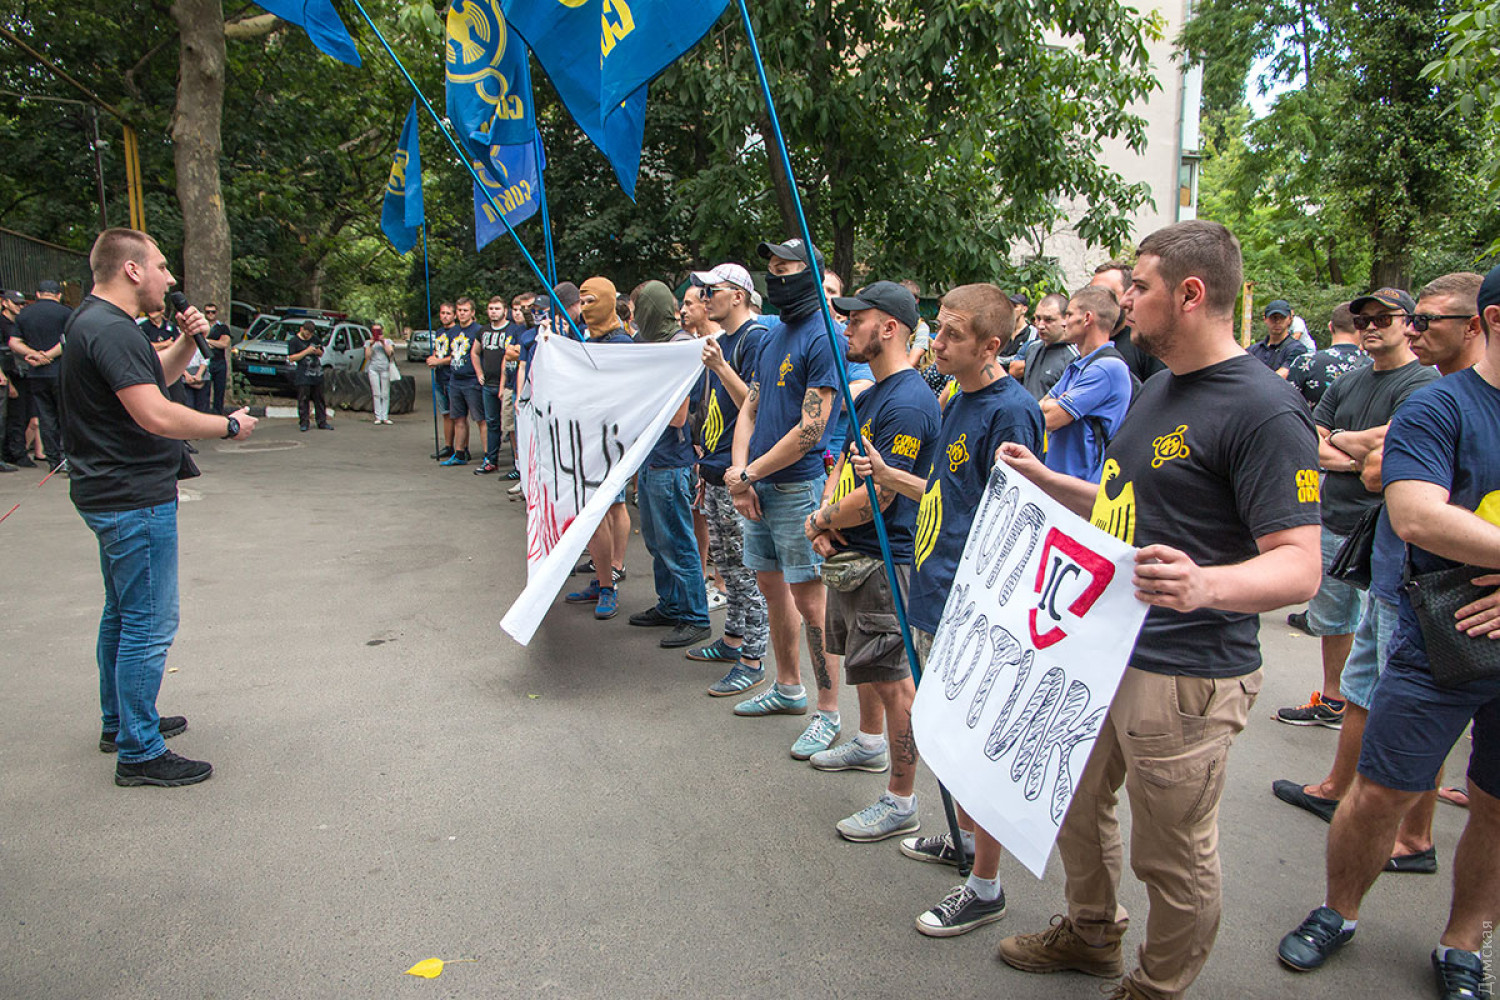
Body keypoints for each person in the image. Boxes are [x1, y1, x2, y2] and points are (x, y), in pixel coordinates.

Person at [993, 220, 1322, 1000]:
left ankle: (1160, 985)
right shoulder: (1159, 388)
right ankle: (1091, 935)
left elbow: (1301, 565)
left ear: (1190, 294)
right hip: (1106, 646)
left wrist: (1206, 585)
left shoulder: (1266, 411)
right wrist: (1047, 479)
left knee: (1171, 853)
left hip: (1184, 673)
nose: (1123, 300)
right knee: (1073, 801)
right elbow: (1126, 510)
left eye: (1137, 287)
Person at [1275, 262, 1500, 1000]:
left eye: (1416, 320)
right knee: (1381, 790)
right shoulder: (1441, 406)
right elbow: (1414, 513)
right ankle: (1337, 913)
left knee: (1496, 808)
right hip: (1439, 633)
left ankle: (1465, 946)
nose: (1399, 329)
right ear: (1493, 321)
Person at [853, 282, 1042, 936]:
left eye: (954, 334)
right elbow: (946, 491)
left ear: (991, 346)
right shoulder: (956, 397)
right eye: (938, 328)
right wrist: (889, 476)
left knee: (978, 744)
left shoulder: (1011, 411)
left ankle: (985, 885)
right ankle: (962, 839)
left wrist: (986, 602)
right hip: (939, 588)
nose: (937, 342)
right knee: (953, 737)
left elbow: (1017, 517)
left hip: (979, 603)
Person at [61, 228, 259, 787]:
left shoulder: (96, 323)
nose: (170, 279)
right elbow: (156, 413)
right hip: (131, 497)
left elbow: (152, 378)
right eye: (163, 267)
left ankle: (120, 722)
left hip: (110, 492)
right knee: (148, 624)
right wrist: (226, 425)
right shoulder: (111, 329)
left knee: (123, 615)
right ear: (131, 269)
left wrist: (190, 342)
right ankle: (139, 750)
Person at [800, 281, 940, 843]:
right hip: (853, 550)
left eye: (857, 319)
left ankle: (901, 799)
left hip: (887, 558)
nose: (846, 328)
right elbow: (842, 464)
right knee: (865, 664)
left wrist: (820, 520)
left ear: (889, 328)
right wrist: (826, 519)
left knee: (893, 679)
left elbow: (881, 494)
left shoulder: (907, 401)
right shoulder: (872, 394)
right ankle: (868, 743)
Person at [1274, 287, 1436, 730]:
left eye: (1383, 319)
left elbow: (1394, 440)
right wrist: (1356, 458)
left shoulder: (1423, 382)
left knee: (1379, 628)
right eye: (1363, 321)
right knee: (1332, 619)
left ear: (1409, 323)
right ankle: (1334, 700)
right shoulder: (1349, 381)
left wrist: (1341, 438)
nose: (1370, 328)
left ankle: (1380, 717)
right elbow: (1310, 441)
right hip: (1334, 516)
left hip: (1385, 528)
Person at [725, 237, 845, 760]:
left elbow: (812, 429)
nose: (775, 276)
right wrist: (740, 474)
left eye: (786, 267)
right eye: (771, 267)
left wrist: (748, 473)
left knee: (811, 603)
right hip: (758, 487)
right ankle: (788, 687)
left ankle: (828, 711)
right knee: (772, 590)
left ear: (811, 275)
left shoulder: (825, 335)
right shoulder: (774, 334)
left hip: (797, 489)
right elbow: (750, 407)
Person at [690, 262, 771, 695]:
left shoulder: (755, 339)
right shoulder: (724, 341)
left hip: (739, 474)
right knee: (727, 567)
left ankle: (753, 660)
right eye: (702, 292)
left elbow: (756, 407)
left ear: (738, 295)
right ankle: (733, 640)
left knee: (749, 573)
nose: (705, 299)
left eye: (712, 290)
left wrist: (722, 367)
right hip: (716, 470)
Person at [628, 281, 713, 650]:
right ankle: (671, 604)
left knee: (677, 542)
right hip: (653, 459)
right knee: (656, 540)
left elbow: (678, 416)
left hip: (670, 462)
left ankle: (695, 616)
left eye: (637, 310)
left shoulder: (680, 349)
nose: (633, 318)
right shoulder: (656, 347)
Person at [564, 277, 635, 621]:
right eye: (581, 301)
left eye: (591, 300)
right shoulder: (587, 340)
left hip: (611, 441)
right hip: (588, 438)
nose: (585, 307)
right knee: (598, 512)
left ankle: (608, 583)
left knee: (601, 511)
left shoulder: (621, 343)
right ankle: (604, 576)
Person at [1040, 286, 1134, 483]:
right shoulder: (1078, 365)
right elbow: (1039, 409)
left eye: (1069, 314)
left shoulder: (1107, 368)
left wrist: (1055, 405)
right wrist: (1055, 405)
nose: (1064, 322)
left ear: (1087, 318)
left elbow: (1049, 419)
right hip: (1059, 482)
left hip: (1082, 485)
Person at [11, 279, 71, 468]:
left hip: (36, 373)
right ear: (59, 295)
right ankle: (66, 457)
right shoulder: (66, 313)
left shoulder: (24, 314)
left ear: (37, 294)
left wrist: (35, 354)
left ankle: (53, 459)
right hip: (61, 371)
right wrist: (49, 355)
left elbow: (14, 342)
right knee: (65, 415)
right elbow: (70, 339)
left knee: (45, 417)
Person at [1091, 260, 1167, 384]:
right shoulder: (1080, 342)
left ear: (1127, 296)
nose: (1096, 300)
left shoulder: (1144, 343)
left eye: (1106, 293)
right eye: (1091, 293)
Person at [1286, 302, 1370, 408]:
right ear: (1361, 329)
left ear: (1330, 326)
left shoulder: (1305, 362)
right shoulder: (1372, 366)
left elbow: (1288, 404)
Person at [473, 295, 516, 469]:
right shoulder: (483, 331)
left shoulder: (513, 330)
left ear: (505, 311)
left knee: (511, 426)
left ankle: (516, 463)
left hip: (508, 384)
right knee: (491, 423)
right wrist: (479, 372)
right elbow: (474, 352)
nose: (493, 312)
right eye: (491, 308)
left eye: (497, 308)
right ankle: (491, 460)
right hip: (488, 384)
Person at [440, 297, 483, 466]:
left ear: (472, 312)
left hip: (472, 379)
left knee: (480, 419)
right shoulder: (453, 331)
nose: (462, 314)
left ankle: (488, 455)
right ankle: (459, 452)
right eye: (459, 311)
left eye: (465, 310)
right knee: (458, 418)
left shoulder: (478, 330)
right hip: (455, 379)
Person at [1011, 293, 1077, 400]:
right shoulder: (1032, 348)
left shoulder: (1074, 357)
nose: (1041, 325)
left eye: (1048, 320)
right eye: (1038, 318)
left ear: (1065, 319)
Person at [1248, 298, 1314, 375]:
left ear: (1290, 319)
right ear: (1265, 319)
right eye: (1273, 317)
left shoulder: (1297, 350)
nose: (1277, 321)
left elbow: (1282, 376)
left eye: (1282, 317)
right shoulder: (1253, 350)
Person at [287, 320, 332, 431]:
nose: (309, 336)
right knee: (303, 398)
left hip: (317, 372)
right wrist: (306, 351)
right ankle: (304, 422)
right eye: (307, 334)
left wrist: (317, 351)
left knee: (319, 398)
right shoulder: (294, 341)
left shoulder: (315, 339)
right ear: (302, 329)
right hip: (303, 374)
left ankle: (322, 421)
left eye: (310, 334)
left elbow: (321, 353)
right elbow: (292, 358)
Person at [0, 289, 27, 470]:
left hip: (18, 373)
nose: (20, 306)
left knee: (16, 417)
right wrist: (3, 376)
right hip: (5, 375)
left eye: (22, 303)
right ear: (5, 303)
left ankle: (13, 453)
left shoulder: (17, 323)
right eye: (16, 303)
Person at [428, 302, 458, 459]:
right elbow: (438, 350)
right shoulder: (439, 332)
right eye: (442, 313)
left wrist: (438, 361)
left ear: (454, 315)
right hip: (439, 377)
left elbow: (457, 355)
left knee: (457, 414)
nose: (445, 316)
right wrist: (432, 359)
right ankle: (448, 445)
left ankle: (461, 447)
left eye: (448, 313)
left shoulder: (457, 332)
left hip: (451, 377)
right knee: (445, 413)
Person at [202, 302, 231, 414]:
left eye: (213, 312)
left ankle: (218, 414)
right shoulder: (202, 328)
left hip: (219, 362)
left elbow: (224, 343)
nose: (210, 314)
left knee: (219, 391)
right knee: (204, 391)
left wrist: (207, 341)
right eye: (208, 312)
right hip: (205, 362)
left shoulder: (222, 328)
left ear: (216, 313)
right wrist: (216, 343)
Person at [365, 324, 394, 424]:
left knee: (385, 393)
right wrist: (371, 344)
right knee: (376, 393)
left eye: (379, 331)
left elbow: (390, 353)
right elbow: (367, 356)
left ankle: (385, 416)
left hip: (385, 368)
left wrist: (383, 342)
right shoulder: (368, 342)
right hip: (373, 369)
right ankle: (378, 416)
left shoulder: (388, 341)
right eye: (374, 331)